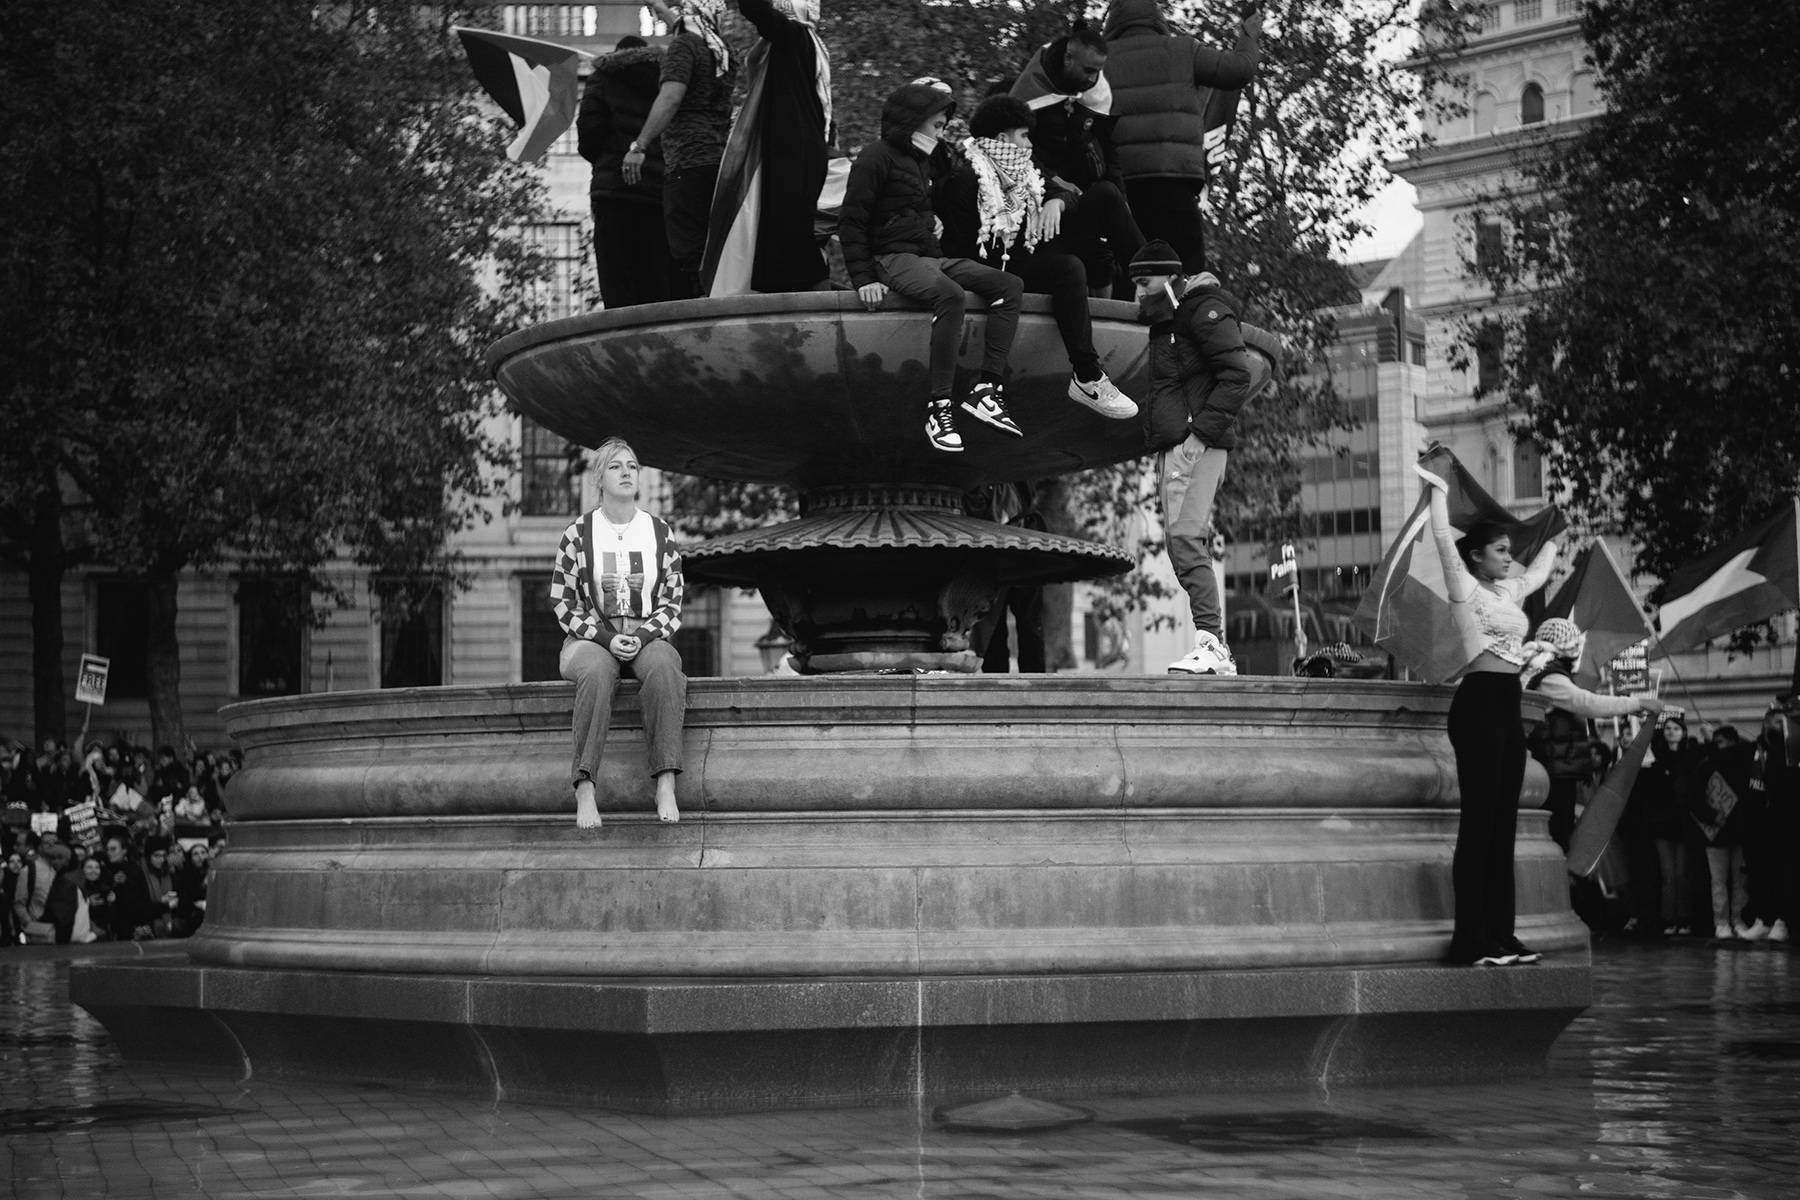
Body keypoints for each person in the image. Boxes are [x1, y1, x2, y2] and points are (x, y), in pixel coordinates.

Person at [1415, 458, 1560, 965]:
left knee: (1504, 827)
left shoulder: (1508, 591)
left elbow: (1540, 570)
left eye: (1508, 551)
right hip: (1476, 704)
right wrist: (1435, 486)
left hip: (1507, 708)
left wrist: (1556, 532)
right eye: (1500, 551)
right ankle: (1469, 939)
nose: (1508, 557)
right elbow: (1439, 533)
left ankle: (1502, 935)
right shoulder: (1466, 589)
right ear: (1476, 558)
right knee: (1478, 825)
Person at [838, 81, 1025, 453]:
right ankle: (940, 408)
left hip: (928, 257)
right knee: (950, 296)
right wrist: (864, 280)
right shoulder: (875, 157)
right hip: (891, 259)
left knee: (1009, 285)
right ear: (915, 120)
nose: (941, 133)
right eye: (937, 125)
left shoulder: (920, 159)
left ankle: (986, 391)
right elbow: (852, 222)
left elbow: (909, 210)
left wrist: (930, 222)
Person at [936, 94, 1138, 420]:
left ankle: (1154, 278)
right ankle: (1087, 375)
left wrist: (1057, 203)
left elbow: (1059, 189)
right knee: (1069, 268)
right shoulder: (965, 178)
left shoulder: (1029, 169)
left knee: (1105, 195)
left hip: (1032, 250)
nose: (1029, 144)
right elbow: (956, 250)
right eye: (1024, 135)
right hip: (996, 270)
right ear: (1003, 139)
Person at [1128, 239, 1272, 675]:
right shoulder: (1170, 319)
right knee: (1180, 543)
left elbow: (1237, 374)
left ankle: (1214, 647)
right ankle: (1213, 645)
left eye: (1145, 283)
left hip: (1194, 447)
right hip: (1177, 447)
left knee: (1187, 539)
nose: (1138, 293)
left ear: (1171, 278)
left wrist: (1196, 439)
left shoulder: (1203, 310)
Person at [551, 438, 688, 829]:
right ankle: (585, 788)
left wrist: (643, 638)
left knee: (664, 666)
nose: (627, 472)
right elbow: (563, 601)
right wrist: (605, 638)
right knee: (596, 672)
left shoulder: (660, 533)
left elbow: (672, 602)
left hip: (646, 637)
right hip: (590, 640)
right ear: (599, 478)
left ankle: (665, 782)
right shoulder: (578, 534)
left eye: (632, 465)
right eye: (616, 466)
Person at [1101, 0, 1261, 273]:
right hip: (1174, 179)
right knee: (1187, 271)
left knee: (1131, 271)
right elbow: (1239, 70)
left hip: (1121, 187)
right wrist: (1248, 34)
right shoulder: (1183, 50)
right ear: (1157, 19)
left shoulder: (1098, 60)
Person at [703, 0, 833, 294]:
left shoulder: (793, 36)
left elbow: (754, 7)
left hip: (792, 150)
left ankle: (797, 283)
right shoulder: (806, 42)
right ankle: (788, 281)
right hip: (800, 147)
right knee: (785, 219)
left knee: (786, 219)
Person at [1009, 23, 1147, 295]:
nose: (1092, 78)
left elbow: (1109, 153)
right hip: (1040, 203)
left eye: (1098, 71)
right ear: (1068, 59)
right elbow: (1018, 156)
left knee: (1109, 207)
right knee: (1085, 253)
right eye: (1088, 70)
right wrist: (1056, 190)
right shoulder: (1029, 93)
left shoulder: (1097, 91)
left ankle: (1159, 275)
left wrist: (1122, 202)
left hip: (1079, 195)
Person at [626, 0, 738, 299]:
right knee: (716, 246)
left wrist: (640, 145)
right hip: (719, 162)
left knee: (689, 252)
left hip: (687, 163)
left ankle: (701, 315)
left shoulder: (683, 48)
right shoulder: (722, 52)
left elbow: (671, 97)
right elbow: (685, 20)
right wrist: (657, 5)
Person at [1523, 618, 1664, 855]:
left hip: (1557, 767)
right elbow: (1588, 703)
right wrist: (1637, 702)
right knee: (1557, 840)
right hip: (1553, 772)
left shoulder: (1546, 673)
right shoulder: (1549, 678)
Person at [578, 34, 676, 307]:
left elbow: (589, 135)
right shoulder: (670, 79)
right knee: (659, 284)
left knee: (619, 285)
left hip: (615, 193)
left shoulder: (604, 76)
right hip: (659, 194)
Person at [964, 481, 1048, 673]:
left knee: (1026, 625)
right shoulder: (996, 485)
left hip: (1017, 554)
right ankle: (1001, 681)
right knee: (994, 627)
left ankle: (1031, 681)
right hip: (997, 558)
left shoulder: (1011, 485)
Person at [1693, 725, 1756, 939]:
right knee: (1718, 881)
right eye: (1716, 743)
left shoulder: (1742, 764)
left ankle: (1738, 919)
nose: (1721, 748)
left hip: (1738, 830)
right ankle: (1721, 922)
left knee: (1740, 881)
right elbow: (1694, 799)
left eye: (1722, 742)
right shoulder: (1706, 767)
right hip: (1716, 833)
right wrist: (1711, 816)